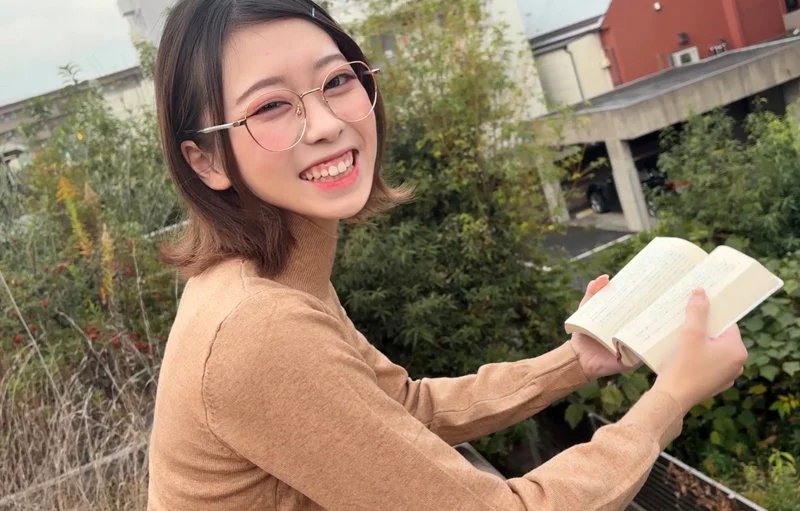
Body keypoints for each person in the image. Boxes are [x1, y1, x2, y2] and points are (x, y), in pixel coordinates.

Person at [146, 0, 749, 509]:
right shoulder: (258, 328)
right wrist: (671, 398)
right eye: (270, 107)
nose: (326, 123)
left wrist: (576, 360)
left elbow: (406, 406)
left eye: (336, 81)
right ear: (206, 160)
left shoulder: (271, 278)